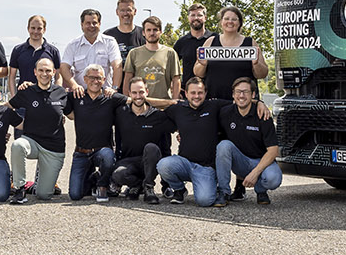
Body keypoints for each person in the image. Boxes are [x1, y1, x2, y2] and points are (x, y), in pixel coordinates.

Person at [156, 77, 271, 207]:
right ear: (186, 94)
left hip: (206, 168)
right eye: (192, 93)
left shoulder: (215, 106)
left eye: (200, 93)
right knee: (163, 165)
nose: (196, 96)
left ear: (205, 93)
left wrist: (259, 102)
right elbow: (156, 109)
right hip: (185, 163)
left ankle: (212, 185)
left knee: (205, 201)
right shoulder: (177, 109)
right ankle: (179, 189)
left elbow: (240, 100)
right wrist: (135, 99)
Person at [8, 57, 71, 203]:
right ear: (35, 72)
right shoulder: (27, 91)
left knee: (44, 195)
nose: (44, 73)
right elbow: (6, 107)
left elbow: (73, 115)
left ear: (54, 72)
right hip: (32, 142)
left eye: (48, 70)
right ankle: (19, 189)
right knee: (18, 145)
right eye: (41, 70)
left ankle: (33, 186)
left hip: (53, 148)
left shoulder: (61, 92)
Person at [216, 77, 283, 205]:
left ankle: (261, 190)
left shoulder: (263, 114)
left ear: (253, 95)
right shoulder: (225, 113)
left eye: (245, 92)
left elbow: (273, 150)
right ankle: (223, 192)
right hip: (240, 162)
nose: (241, 96)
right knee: (223, 146)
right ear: (233, 94)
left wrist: (255, 173)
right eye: (238, 92)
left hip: (261, 162)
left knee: (274, 179)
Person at [111, 77, 176, 204]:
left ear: (147, 91)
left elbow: (177, 130)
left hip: (151, 161)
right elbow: (111, 99)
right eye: (134, 93)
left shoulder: (158, 116)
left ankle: (149, 188)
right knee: (118, 174)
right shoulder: (121, 113)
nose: (138, 96)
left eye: (141, 92)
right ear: (129, 94)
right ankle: (137, 185)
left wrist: (171, 103)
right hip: (129, 161)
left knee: (151, 147)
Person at [65, 64, 123, 202]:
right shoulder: (75, 96)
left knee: (108, 156)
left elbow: (134, 101)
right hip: (81, 153)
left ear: (104, 80)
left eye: (99, 78)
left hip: (102, 151)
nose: (95, 81)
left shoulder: (110, 98)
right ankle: (94, 178)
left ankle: (102, 185)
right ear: (85, 79)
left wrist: (169, 103)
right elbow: (67, 112)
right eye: (91, 77)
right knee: (75, 195)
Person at [193, 5, 268, 100]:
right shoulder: (210, 42)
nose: (230, 22)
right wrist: (203, 64)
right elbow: (198, 73)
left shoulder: (250, 43)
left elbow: (262, 74)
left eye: (234, 19)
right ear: (221, 22)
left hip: (242, 103)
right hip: (214, 102)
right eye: (226, 18)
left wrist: (256, 64)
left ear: (240, 22)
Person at [60, 9, 122, 96]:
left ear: (99, 24)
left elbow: (117, 66)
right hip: (81, 95)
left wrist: (114, 88)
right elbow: (64, 67)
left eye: (94, 23)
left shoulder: (110, 42)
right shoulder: (73, 45)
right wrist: (74, 85)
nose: (91, 26)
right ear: (82, 25)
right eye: (88, 23)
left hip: (104, 95)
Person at [123, 15, 181, 99]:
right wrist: (127, 101)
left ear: (160, 31)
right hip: (140, 104)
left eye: (155, 30)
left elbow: (176, 80)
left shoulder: (170, 53)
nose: (152, 33)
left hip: (164, 105)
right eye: (148, 30)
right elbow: (127, 79)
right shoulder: (134, 53)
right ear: (143, 32)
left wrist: (175, 102)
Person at [9, 14, 61, 91]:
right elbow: (11, 77)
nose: (35, 31)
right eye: (33, 28)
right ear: (28, 29)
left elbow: (58, 77)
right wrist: (14, 98)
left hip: (45, 97)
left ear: (44, 30)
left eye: (39, 28)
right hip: (24, 96)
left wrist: (56, 95)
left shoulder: (53, 51)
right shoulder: (18, 50)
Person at [103, 0, 145, 82]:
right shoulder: (108, 36)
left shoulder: (144, 34)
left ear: (135, 11)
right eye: (122, 10)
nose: (125, 13)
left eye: (129, 10)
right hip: (114, 86)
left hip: (138, 87)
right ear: (117, 12)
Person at [172, 3, 212, 85]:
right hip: (187, 93)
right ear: (188, 18)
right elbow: (171, 66)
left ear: (205, 18)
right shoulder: (181, 42)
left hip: (211, 92)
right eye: (193, 15)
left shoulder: (215, 39)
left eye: (199, 15)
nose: (196, 18)